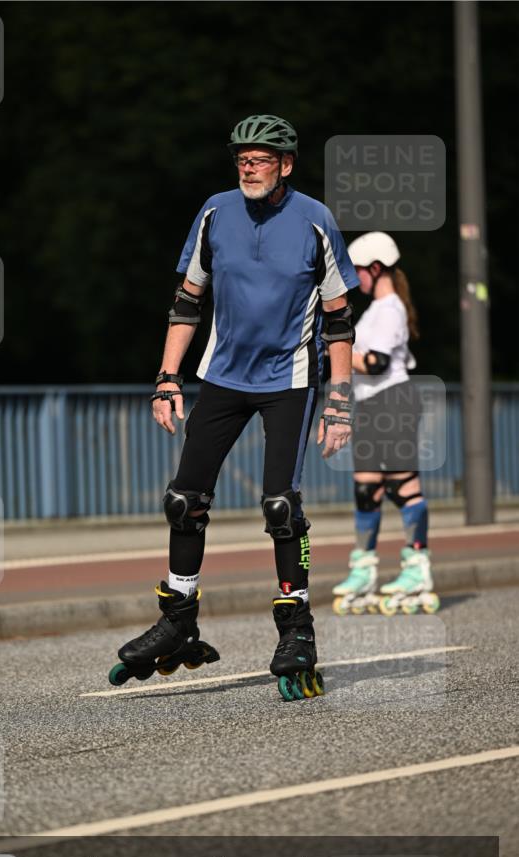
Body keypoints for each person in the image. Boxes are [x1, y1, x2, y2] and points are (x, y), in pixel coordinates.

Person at [109, 114, 359, 701]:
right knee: (183, 498)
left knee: (280, 504)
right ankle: (179, 616)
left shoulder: (315, 220)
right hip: (222, 376)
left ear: (286, 165)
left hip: (289, 381)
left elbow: (339, 318)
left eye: (261, 157)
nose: (248, 165)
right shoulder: (216, 212)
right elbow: (186, 300)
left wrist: (340, 403)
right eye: (241, 156)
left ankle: (296, 629)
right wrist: (167, 378)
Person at [332, 231, 439, 615]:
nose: (355, 278)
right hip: (370, 406)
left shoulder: (390, 307)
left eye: (359, 271)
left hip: (394, 403)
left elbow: (375, 363)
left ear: (376, 269)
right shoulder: (375, 310)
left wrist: (337, 352)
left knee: (402, 485)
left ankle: (417, 567)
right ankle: (363, 569)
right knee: (366, 491)